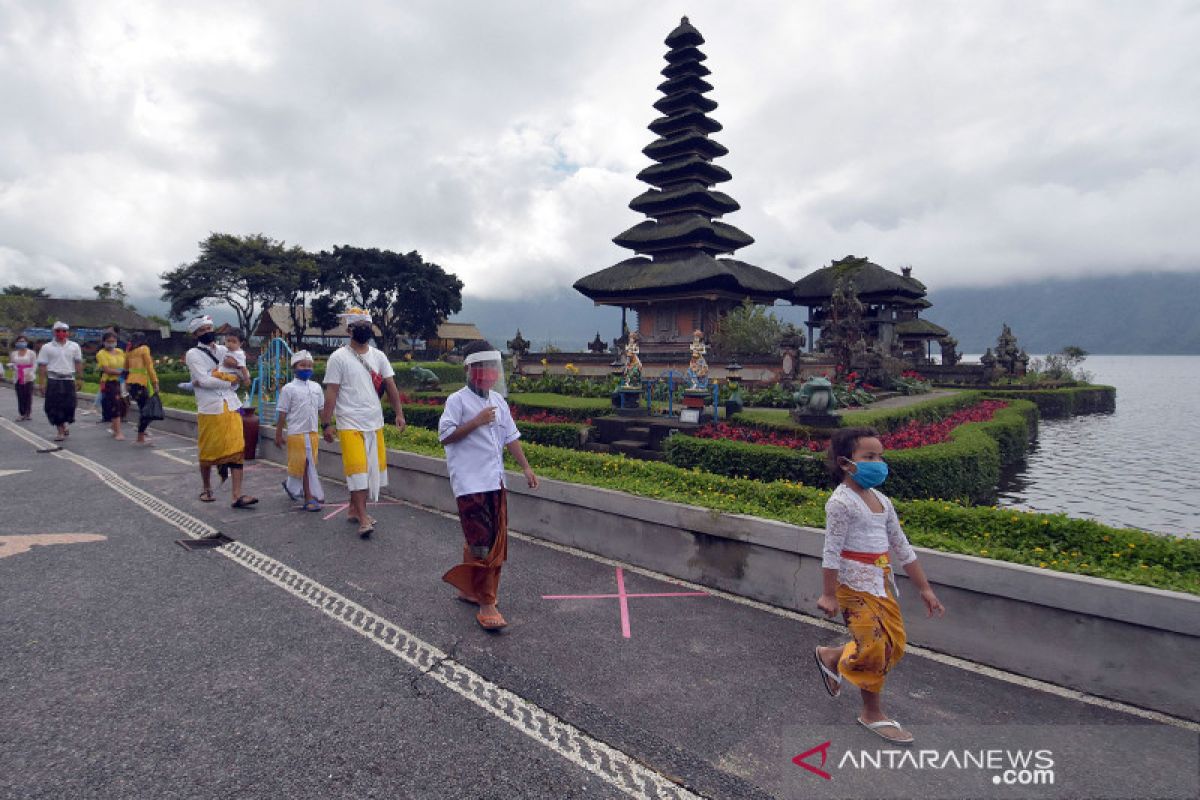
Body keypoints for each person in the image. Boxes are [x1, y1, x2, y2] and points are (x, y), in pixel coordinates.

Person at [813, 427, 945, 745]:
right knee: (875, 649)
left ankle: (833, 656)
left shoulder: (882, 501)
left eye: (880, 456)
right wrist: (829, 593)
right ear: (846, 463)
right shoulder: (840, 503)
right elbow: (830, 551)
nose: (878, 463)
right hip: (852, 586)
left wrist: (924, 588)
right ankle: (872, 713)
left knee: (894, 644)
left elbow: (902, 546)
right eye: (869, 457)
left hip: (881, 583)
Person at [438, 340, 538, 631]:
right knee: (483, 543)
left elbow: (510, 437)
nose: (489, 373)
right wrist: (477, 421)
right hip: (470, 483)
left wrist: (526, 467)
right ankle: (487, 603)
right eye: (482, 367)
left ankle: (469, 590)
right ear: (469, 369)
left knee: (490, 539)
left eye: (492, 367)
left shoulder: (498, 401)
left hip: (495, 481)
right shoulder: (457, 401)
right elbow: (445, 436)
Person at [320, 308, 406, 538]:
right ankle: (363, 517)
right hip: (349, 422)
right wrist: (326, 424)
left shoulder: (379, 356)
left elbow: (390, 386)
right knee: (358, 471)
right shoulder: (338, 358)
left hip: (374, 421)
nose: (363, 329)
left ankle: (353, 509)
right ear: (349, 330)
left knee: (368, 471)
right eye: (358, 325)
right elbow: (332, 392)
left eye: (367, 325)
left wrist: (399, 414)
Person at [185, 315, 257, 514]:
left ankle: (237, 495)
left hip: (231, 405)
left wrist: (236, 377)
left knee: (237, 448)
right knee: (208, 449)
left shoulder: (225, 349)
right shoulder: (193, 354)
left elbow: (242, 372)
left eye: (209, 327)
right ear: (196, 334)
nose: (208, 332)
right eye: (202, 330)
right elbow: (203, 380)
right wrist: (231, 381)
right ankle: (206, 487)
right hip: (210, 407)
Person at [274, 350, 325, 512]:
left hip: (313, 432)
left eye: (309, 365)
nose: (307, 368)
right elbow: (282, 412)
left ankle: (291, 486)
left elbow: (321, 410)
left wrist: (327, 426)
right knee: (305, 464)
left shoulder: (316, 387)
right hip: (296, 433)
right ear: (294, 368)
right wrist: (278, 433)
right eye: (303, 365)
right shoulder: (288, 389)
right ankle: (309, 497)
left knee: (308, 463)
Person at [35, 321, 83, 442]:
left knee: (70, 405)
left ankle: (65, 423)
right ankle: (60, 430)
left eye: (64, 331)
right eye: (58, 331)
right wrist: (41, 383)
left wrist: (80, 378)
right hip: (53, 379)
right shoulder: (47, 347)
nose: (61, 333)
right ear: (53, 332)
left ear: (68, 333)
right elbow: (42, 366)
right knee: (54, 406)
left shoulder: (74, 346)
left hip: (68, 379)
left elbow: (78, 362)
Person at [124, 332, 160, 445]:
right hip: (141, 382)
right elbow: (149, 366)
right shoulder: (144, 349)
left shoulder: (129, 352)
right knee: (147, 411)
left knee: (143, 409)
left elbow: (125, 369)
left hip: (131, 383)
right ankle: (140, 437)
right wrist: (155, 382)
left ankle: (141, 434)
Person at [96, 331, 127, 440]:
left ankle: (114, 426)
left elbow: (126, 363)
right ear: (104, 342)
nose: (111, 344)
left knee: (124, 405)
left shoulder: (119, 351)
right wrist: (121, 372)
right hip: (110, 382)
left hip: (121, 382)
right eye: (108, 342)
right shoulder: (101, 354)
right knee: (115, 405)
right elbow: (106, 369)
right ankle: (118, 432)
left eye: (113, 341)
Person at [8, 335, 37, 421]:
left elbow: (35, 364)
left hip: (28, 376)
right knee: (20, 395)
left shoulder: (31, 353)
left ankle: (28, 413)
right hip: (18, 376)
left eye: (23, 341)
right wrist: (12, 366)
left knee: (28, 395)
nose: (21, 343)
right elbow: (12, 363)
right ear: (16, 343)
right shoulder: (14, 354)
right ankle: (22, 413)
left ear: (26, 342)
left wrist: (31, 372)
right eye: (20, 341)